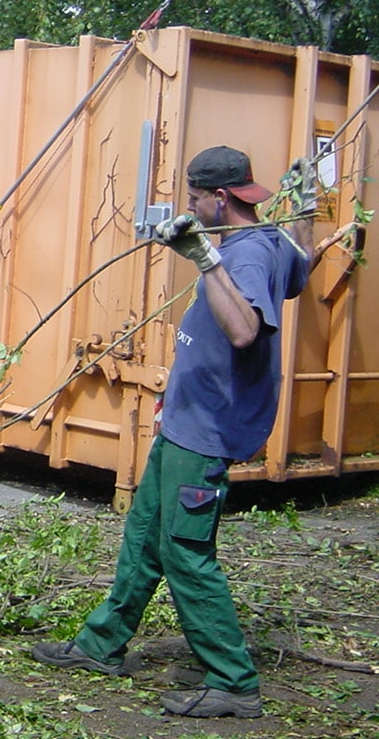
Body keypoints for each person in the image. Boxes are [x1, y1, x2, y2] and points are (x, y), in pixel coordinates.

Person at [32, 145, 317, 719]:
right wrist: (306, 207)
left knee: (185, 552)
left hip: (209, 429)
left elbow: (243, 332)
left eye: (194, 197)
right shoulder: (271, 241)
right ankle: (101, 644)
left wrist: (205, 260)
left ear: (220, 198)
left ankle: (234, 681)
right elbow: (302, 265)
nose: (188, 205)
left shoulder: (246, 257)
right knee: (143, 536)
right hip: (186, 420)